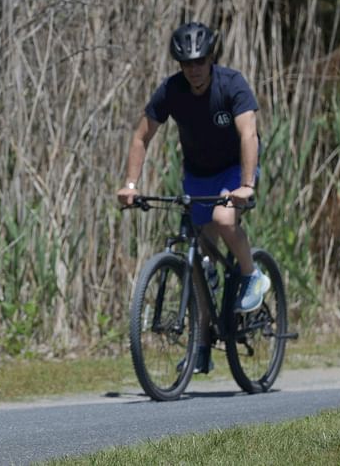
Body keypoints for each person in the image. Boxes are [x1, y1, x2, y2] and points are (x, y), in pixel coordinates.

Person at [116, 21, 271, 373]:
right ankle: (202, 344)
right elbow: (142, 136)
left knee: (223, 218)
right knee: (196, 258)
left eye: (200, 62)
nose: (194, 70)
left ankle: (252, 274)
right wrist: (130, 183)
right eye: (187, 64)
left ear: (210, 58)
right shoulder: (171, 91)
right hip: (198, 175)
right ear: (179, 65)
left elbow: (249, 135)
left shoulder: (231, 84)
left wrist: (246, 185)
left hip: (235, 168)